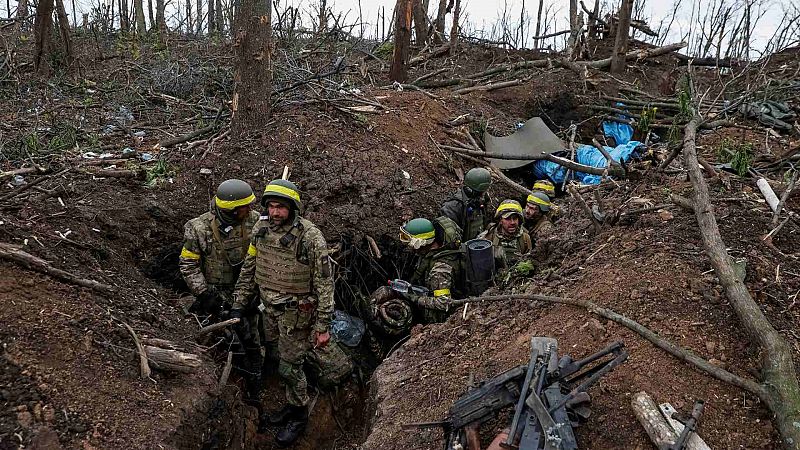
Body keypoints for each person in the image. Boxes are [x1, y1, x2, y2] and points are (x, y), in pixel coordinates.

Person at [232, 179, 335, 446]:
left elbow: (325, 283)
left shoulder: (310, 237)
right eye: (272, 207)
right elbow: (250, 267)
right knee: (278, 358)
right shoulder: (261, 228)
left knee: (290, 368)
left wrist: (323, 326)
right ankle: (291, 405)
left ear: (293, 208)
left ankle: (299, 415)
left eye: (281, 207)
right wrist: (239, 303)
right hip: (269, 310)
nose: (275, 212)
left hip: (296, 314)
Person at [178, 179, 264, 400]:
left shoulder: (255, 222)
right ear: (232, 210)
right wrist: (204, 294)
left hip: (248, 292)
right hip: (217, 294)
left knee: (253, 339)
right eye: (245, 206)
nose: (250, 209)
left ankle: (256, 379)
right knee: (226, 340)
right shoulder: (199, 228)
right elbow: (188, 264)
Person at [397, 216, 466, 323]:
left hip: (444, 319)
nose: (409, 247)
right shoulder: (434, 250)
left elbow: (443, 303)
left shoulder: (439, 270)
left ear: (420, 242)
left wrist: (414, 298)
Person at [440, 167, 492, 241]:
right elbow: (450, 239)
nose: (484, 194)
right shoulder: (453, 207)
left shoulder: (480, 200)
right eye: (483, 191)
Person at [479, 200, 532, 270]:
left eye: (515, 218)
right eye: (508, 219)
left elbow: (529, 263)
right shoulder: (489, 236)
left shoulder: (525, 238)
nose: (512, 222)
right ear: (500, 220)